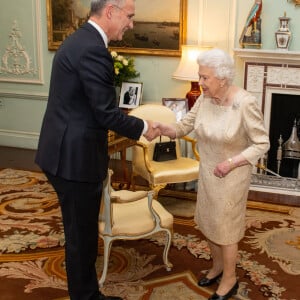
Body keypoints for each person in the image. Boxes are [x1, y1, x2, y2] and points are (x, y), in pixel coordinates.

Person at [35, 1, 159, 300]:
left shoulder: (80, 39)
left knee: (82, 233)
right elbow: (105, 113)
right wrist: (144, 127)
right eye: (129, 17)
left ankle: (87, 293)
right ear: (111, 11)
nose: (130, 24)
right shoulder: (92, 49)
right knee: (81, 237)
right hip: (73, 159)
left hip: (63, 150)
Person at [154, 48, 270, 300]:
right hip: (208, 171)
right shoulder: (206, 99)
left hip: (232, 175)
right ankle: (218, 267)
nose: (201, 82)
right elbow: (185, 125)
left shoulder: (245, 103)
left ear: (223, 78)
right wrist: (164, 128)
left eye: (205, 77)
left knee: (226, 229)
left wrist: (231, 162)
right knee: (208, 222)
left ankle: (230, 278)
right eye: (200, 76)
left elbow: (262, 143)